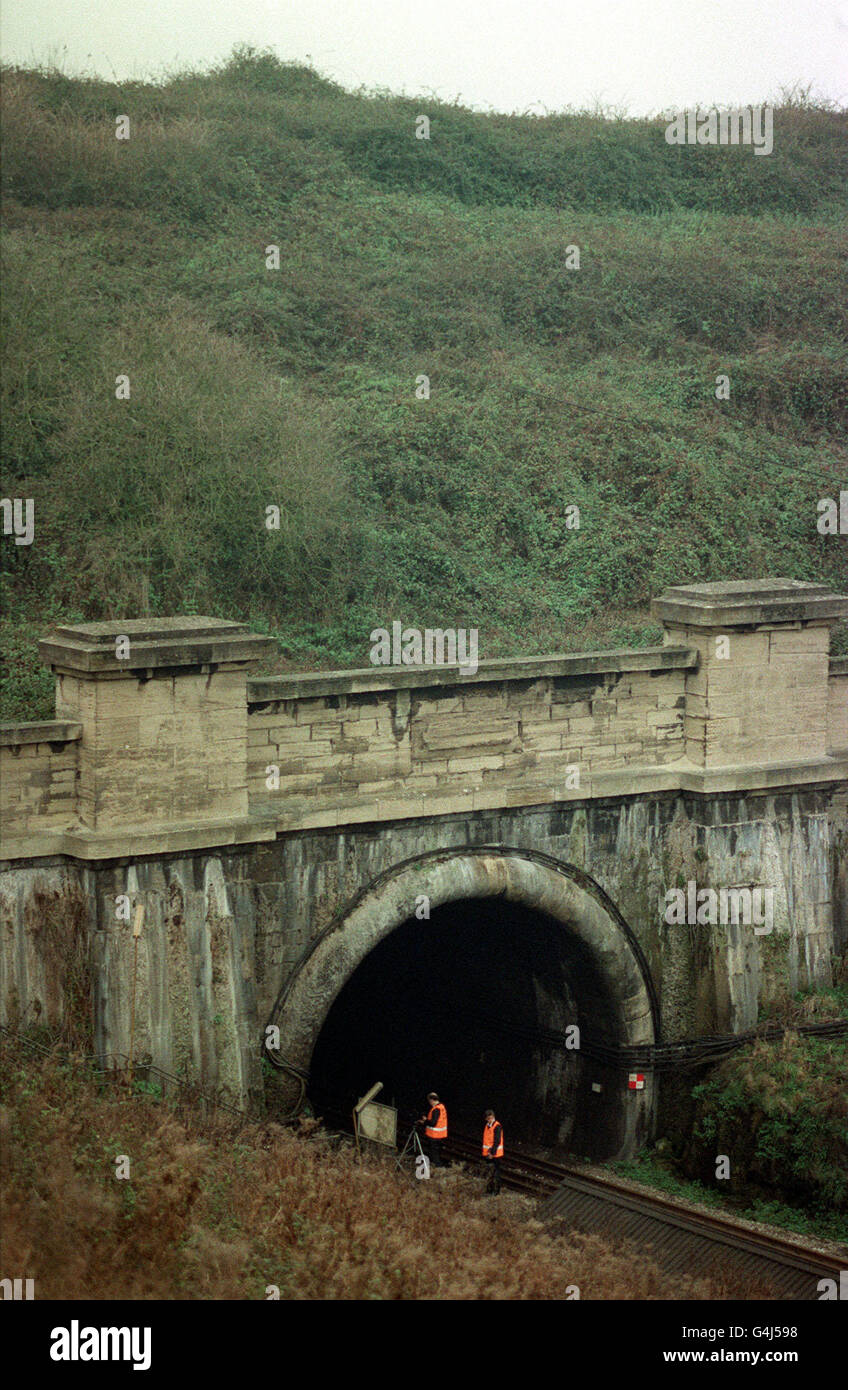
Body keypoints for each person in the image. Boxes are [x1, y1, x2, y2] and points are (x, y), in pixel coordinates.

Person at [419, 1091, 448, 1169]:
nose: (429, 1103)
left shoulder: (436, 1109)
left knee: (434, 1154)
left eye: (429, 1101)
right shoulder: (441, 1107)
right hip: (439, 1135)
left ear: (432, 1100)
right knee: (436, 1153)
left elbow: (433, 1123)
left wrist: (425, 1121)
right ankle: (436, 1166)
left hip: (434, 1136)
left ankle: (437, 1169)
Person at [482, 1109, 503, 1194]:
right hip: (489, 1153)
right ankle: (489, 1190)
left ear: (493, 1117)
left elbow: (497, 1141)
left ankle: (496, 1192)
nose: (490, 1119)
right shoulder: (487, 1126)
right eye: (488, 1118)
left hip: (496, 1154)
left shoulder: (497, 1126)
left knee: (496, 1173)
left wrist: (492, 1153)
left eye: (491, 1118)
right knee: (490, 1172)